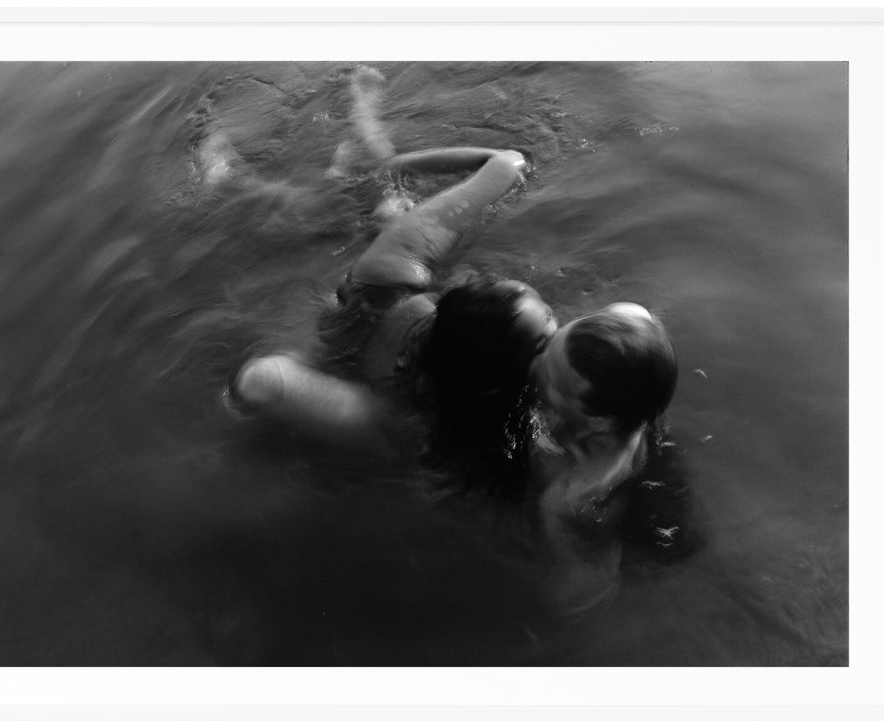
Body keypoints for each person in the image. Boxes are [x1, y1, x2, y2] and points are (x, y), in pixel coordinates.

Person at [228, 66, 678, 614]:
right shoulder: (405, 401)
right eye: (544, 345)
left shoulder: (411, 273)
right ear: (494, 378)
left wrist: (403, 165)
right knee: (315, 218)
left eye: (551, 326)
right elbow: (266, 380)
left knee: (384, 194)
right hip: (357, 329)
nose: (557, 331)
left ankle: (363, 119)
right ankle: (231, 178)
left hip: (392, 296)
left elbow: (506, 164)